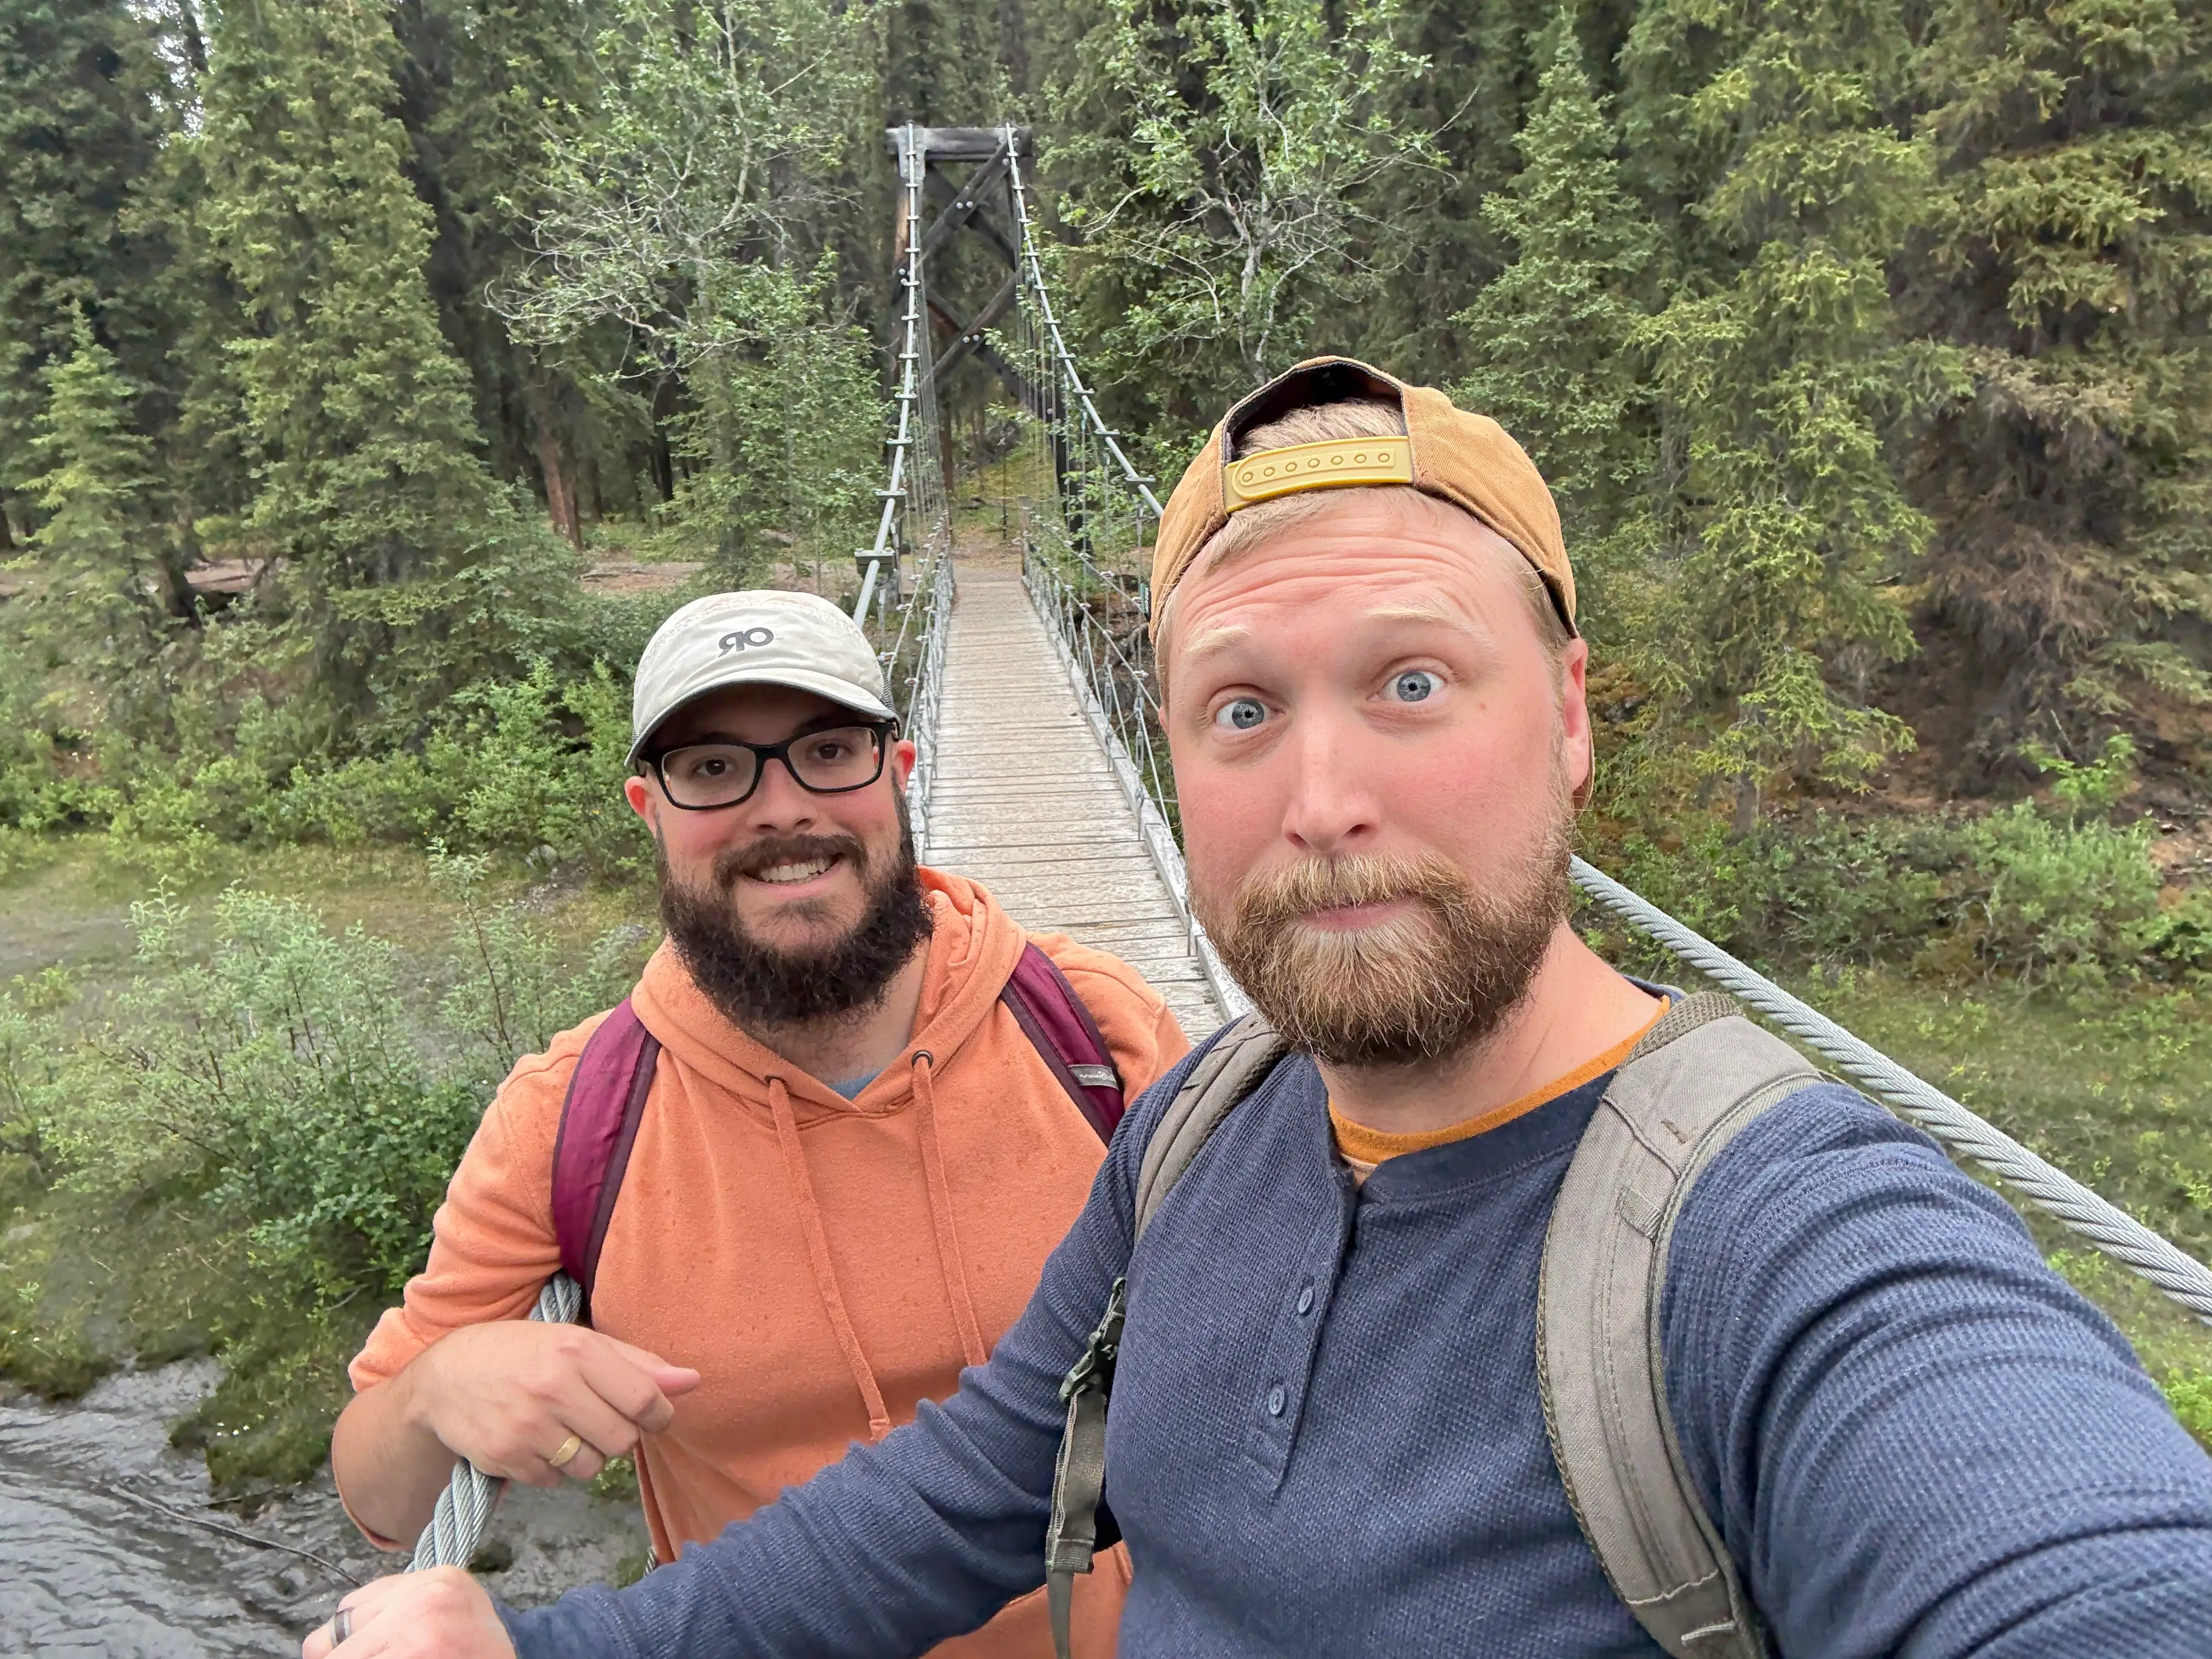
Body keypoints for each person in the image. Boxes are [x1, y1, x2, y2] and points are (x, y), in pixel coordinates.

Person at [308, 362, 2212, 1658]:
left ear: (1566, 717)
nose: (1320, 799)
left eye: (1410, 682)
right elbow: (964, 1492)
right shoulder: (1199, 1125)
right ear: (1171, 756)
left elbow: (2069, 1555)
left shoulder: (1778, 1244)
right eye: (1240, 707)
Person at [327, 588, 1188, 1658]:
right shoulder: (571, 1119)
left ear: (899, 777)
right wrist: (433, 1395)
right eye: (715, 768)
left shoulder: (1095, 1036)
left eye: (828, 749)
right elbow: (384, 1497)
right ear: (649, 808)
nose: (780, 808)